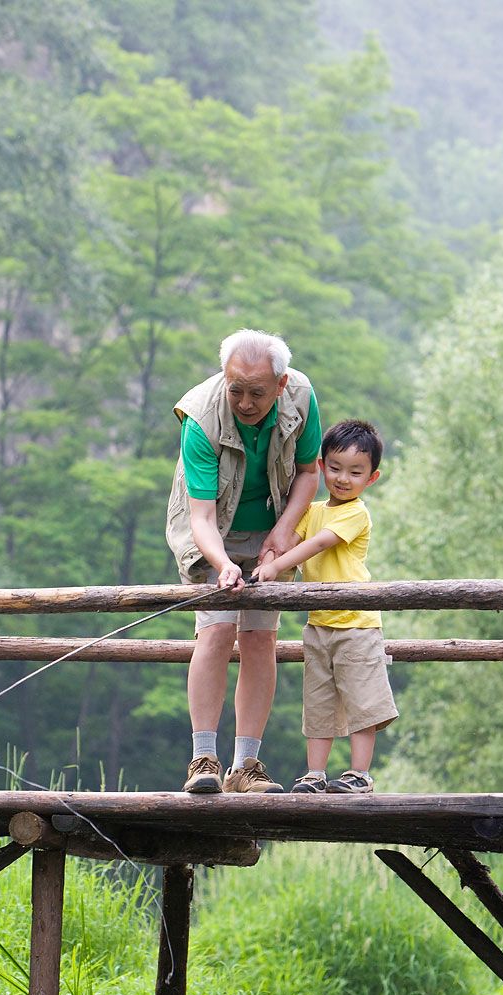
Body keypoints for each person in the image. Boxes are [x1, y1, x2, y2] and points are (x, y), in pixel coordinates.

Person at [166, 329, 321, 794]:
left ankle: (245, 767)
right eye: (236, 390)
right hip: (212, 529)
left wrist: (283, 532)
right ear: (224, 377)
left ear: (281, 383)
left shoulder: (302, 396)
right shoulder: (200, 417)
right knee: (215, 631)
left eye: (257, 392)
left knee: (260, 638)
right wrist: (223, 564)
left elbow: (309, 473)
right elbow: (201, 516)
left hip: (272, 524)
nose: (246, 403)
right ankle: (203, 760)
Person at [252, 419, 398, 794]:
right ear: (321, 466)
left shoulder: (356, 513)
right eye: (335, 468)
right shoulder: (312, 510)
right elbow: (288, 540)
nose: (343, 479)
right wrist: (267, 559)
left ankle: (359, 774)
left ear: (372, 477)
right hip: (319, 624)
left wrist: (275, 568)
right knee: (318, 702)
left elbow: (316, 544)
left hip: (356, 623)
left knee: (362, 700)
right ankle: (314, 774)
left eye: (355, 472)